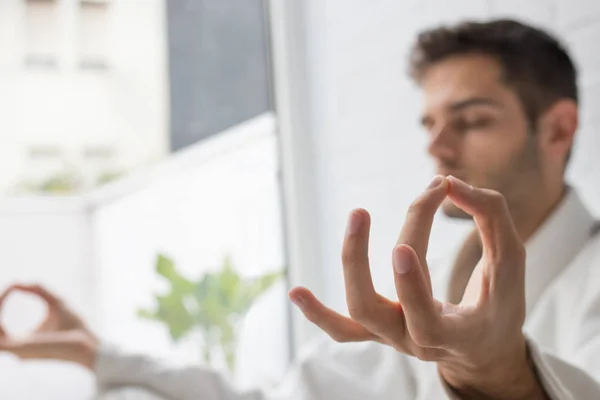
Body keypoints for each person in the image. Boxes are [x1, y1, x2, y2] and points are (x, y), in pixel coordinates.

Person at [2, 18, 600, 400]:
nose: (437, 147)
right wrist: (100, 354)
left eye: (470, 121)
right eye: (431, 123)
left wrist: (499, 375)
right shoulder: (433, 288)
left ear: (556, 129)